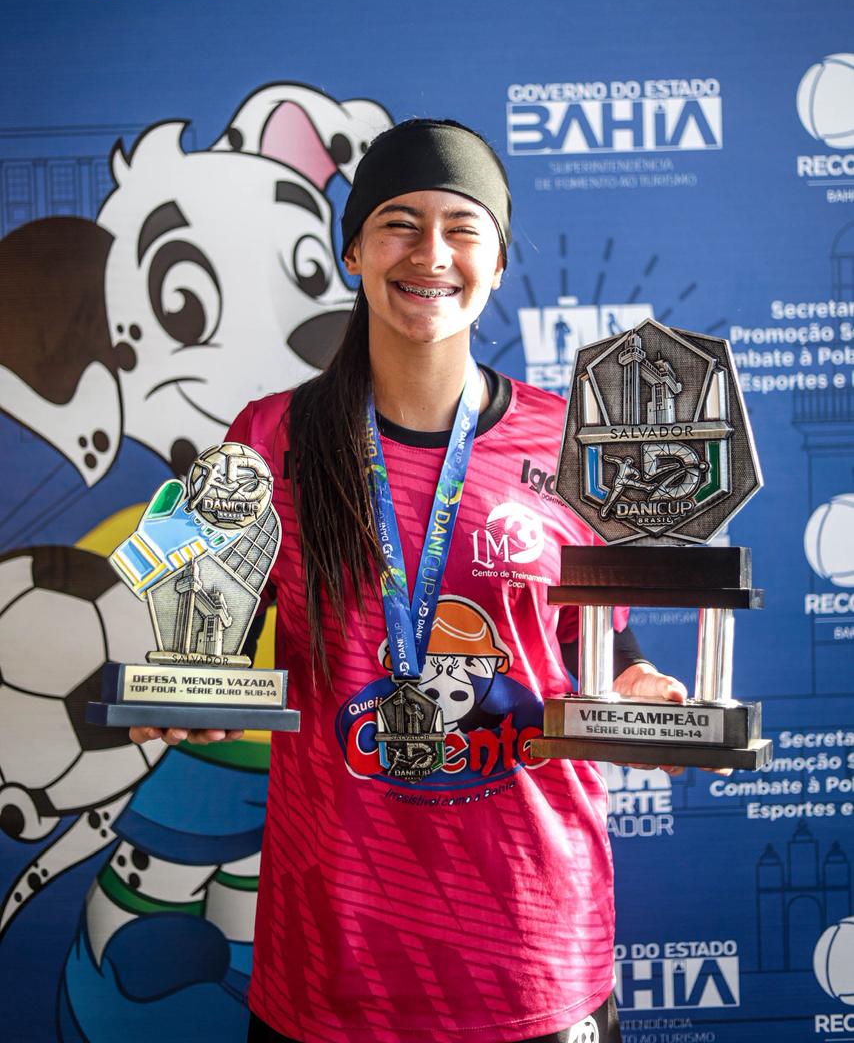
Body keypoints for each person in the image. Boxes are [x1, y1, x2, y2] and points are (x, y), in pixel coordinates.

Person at [131, 119, 688, 1043]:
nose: (431, 254)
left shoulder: (566, 442)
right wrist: (189, 689)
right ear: (352, 250)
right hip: (335, 958)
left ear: (497, 262)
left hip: (533, 947)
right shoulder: (266, 437)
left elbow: (599, 642)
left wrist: (640, 688)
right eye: (399, 223)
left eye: (462, 229)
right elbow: (198, 629)